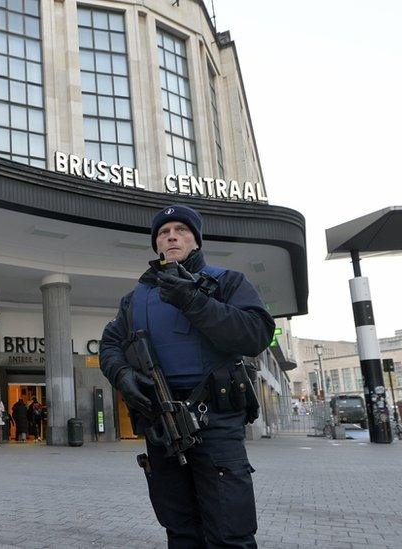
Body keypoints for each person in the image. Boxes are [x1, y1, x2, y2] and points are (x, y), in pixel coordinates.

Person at [99, 204, 274, 548]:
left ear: (196, 240)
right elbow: (110, 344)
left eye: (181, 230)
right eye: (164, 232)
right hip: (162, 423)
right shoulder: (134, 298)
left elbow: (256, 334)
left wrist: (193, 300)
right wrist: (121, 374)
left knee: (230, 533)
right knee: (180, 531)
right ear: (156, 245)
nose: (172, 236)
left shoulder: (226, 282)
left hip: (216, 421)